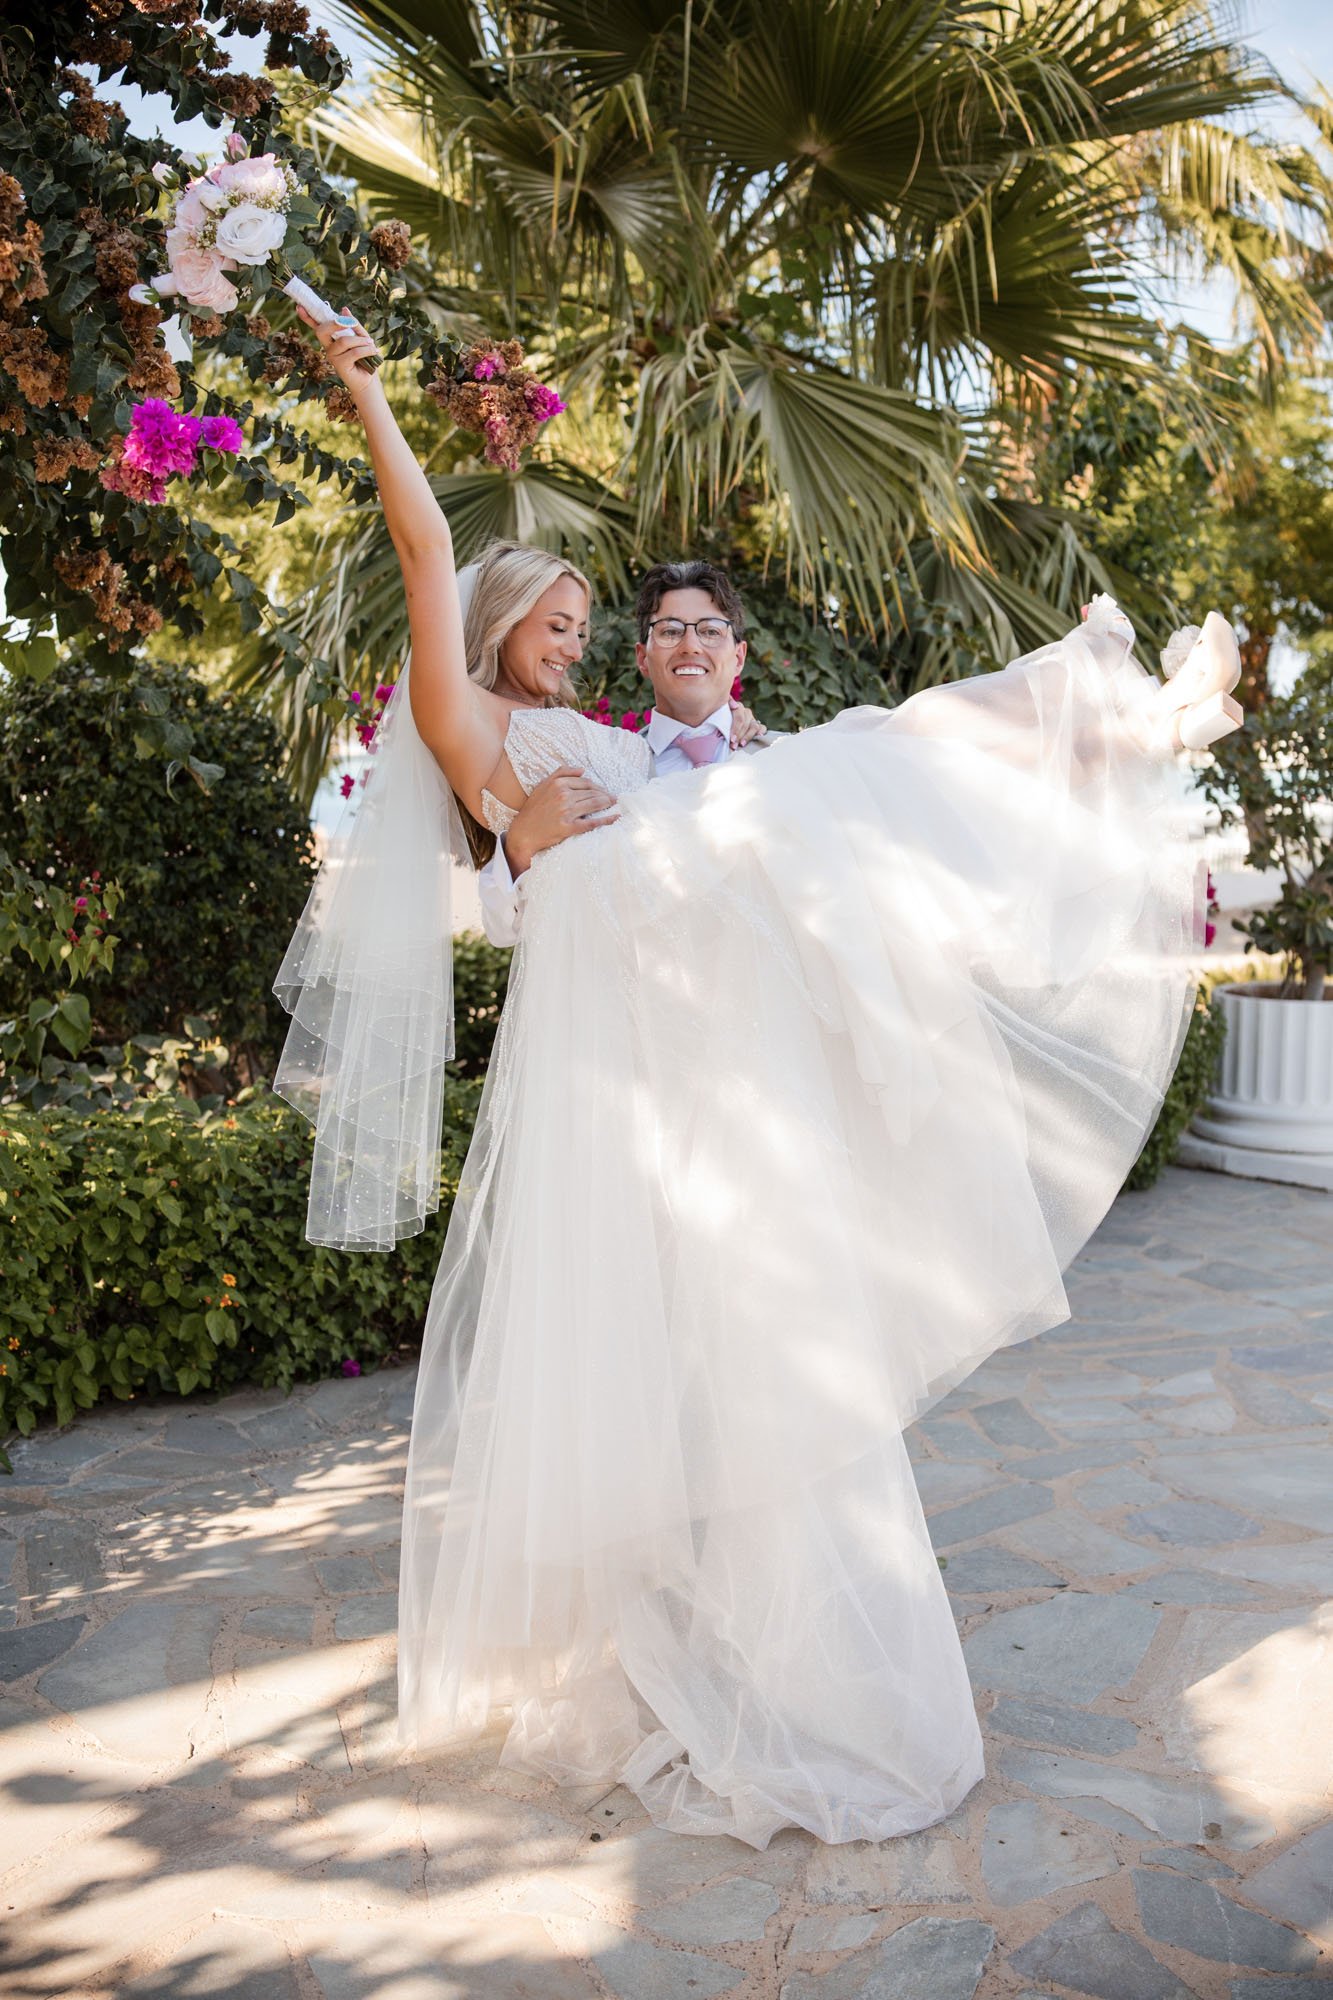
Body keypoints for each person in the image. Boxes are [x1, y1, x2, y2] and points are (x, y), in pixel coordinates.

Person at [276, 310, 1243, 1848]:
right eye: (562, 615)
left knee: (853, 756)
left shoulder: (625, 745)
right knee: (854, 765)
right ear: (496, 620)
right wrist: (372, 393)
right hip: (631, 1112)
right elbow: (413, 547)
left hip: (708, 1072)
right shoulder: (484, 736)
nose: (583, 636)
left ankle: (1106, 731)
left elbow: (697, 811)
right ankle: (1096, 722)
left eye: (598, 620)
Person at [478, 558, 780, 947]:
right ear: (642, 657)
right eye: (670, 631)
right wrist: (518, 848)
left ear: (738, 657)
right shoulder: (596, 771)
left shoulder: (786, 759)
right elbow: (504, 932)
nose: (691, 646)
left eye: (709, 631)